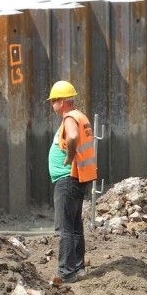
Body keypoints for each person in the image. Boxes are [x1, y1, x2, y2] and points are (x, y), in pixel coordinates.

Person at [47, 80, 97, 283]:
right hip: (79, 177)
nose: (52, 105)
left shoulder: (69, 118)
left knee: (64, 227)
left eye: (53, 101)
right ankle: (78, 267)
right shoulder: (81, 117)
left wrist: (68, 155)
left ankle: (66, 272)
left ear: (61, 102)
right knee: (75, 225)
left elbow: (73, 137)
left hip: (67, 178)